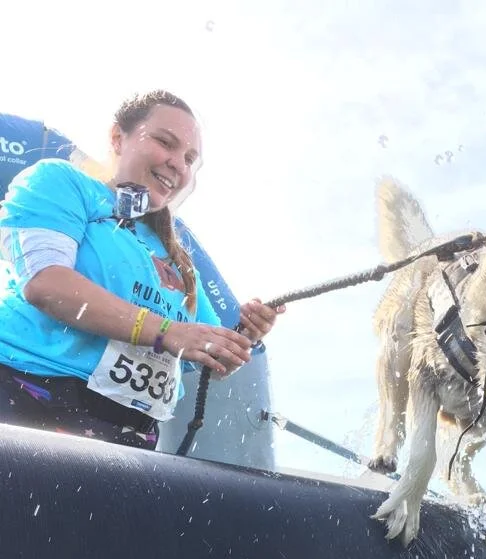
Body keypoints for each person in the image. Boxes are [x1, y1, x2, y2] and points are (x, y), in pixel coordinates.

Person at [0, 89, 284, 450]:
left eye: (189, 158)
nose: (178, 164)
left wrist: (246, 334)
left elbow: (209, 352)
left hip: (132, 437)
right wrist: (167, 331)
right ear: (118, 138)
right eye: (165, 143)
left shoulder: (176, 258)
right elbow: (46, 283)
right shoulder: (62, 182)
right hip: (26, 399)